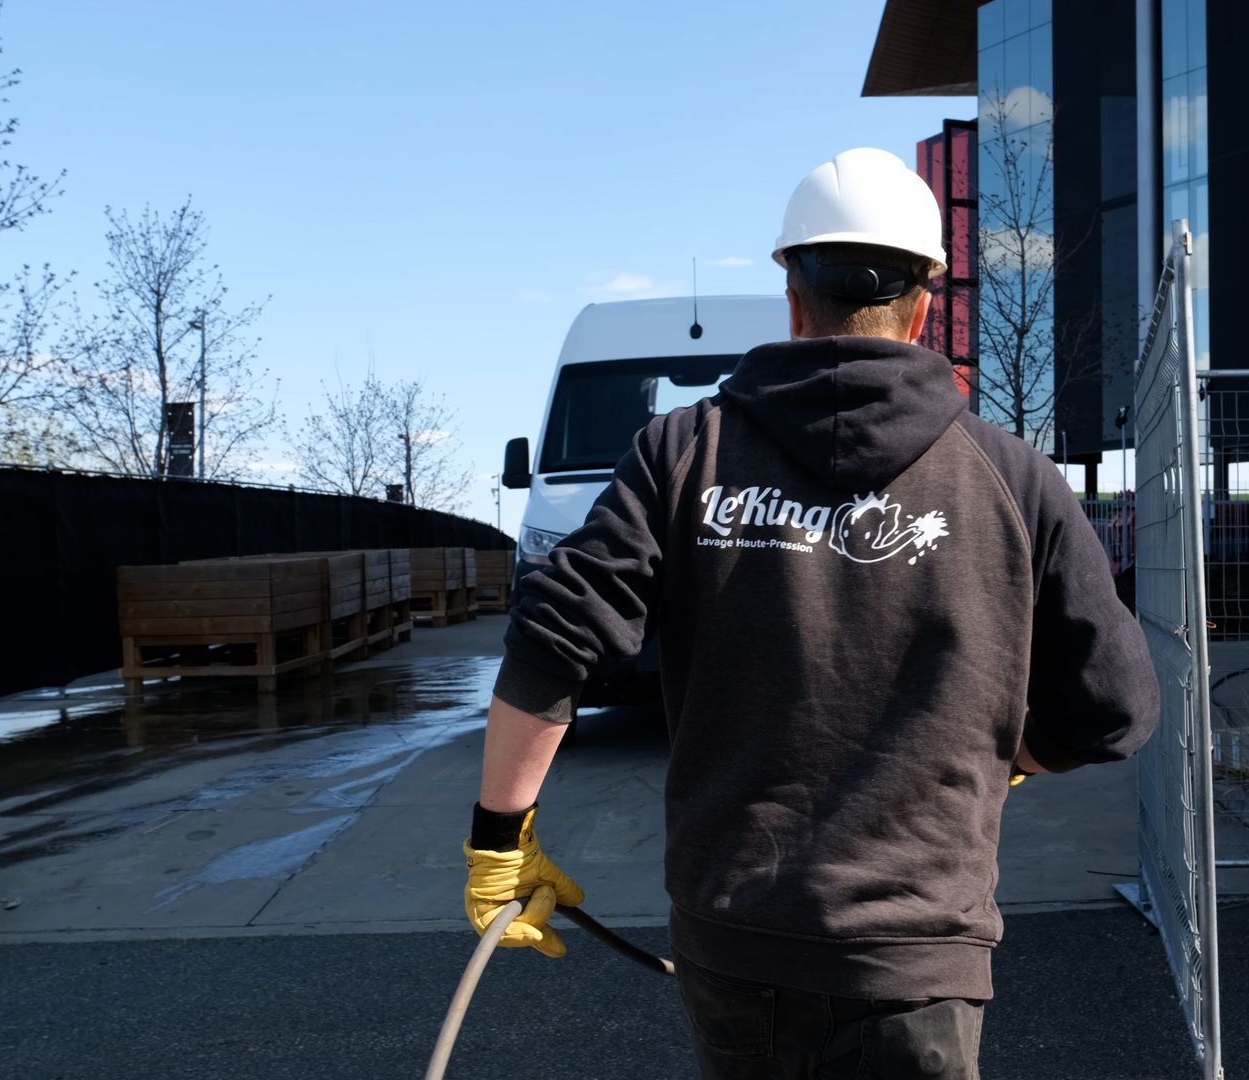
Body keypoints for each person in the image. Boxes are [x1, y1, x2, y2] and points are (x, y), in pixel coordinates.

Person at [462, 146, 1159, 1078]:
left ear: (792, 292)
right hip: (920, 954)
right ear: (924, 307)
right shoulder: (1009, 476)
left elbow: (554, 641)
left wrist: (499, 842)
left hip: (737, 940)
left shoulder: (683, 453)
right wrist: (1009, 757)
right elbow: (1115, 705)